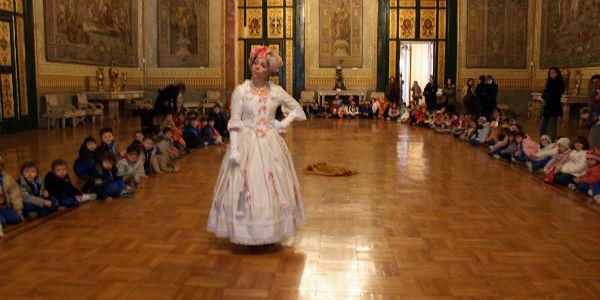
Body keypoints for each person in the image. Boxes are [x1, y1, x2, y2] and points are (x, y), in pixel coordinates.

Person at [207, 46, 307, 245]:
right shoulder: (241, 91)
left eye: (262, 65)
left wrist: (282, 124)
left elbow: (298, 109)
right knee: (246, 183)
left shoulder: (276, 92)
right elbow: (235, 120)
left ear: (269, 70)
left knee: (271, 185)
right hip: (246, 142)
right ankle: (246, 231)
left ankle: (268, 231)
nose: (257, 68)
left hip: (270, 143)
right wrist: (234, 149)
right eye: (255, 63)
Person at [540, 67, 565, 142]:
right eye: (550, 73)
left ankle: (554, 144)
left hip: (554, 108)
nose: (551, 74)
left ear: (557, 73)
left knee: (553, 128)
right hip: (547, 108)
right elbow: (544, 94)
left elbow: (555, 95)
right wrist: (547, 95)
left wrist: (547, 95)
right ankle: (543, 142)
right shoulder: (549, 82)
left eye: (553, 72)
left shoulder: (560, 83)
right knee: (542, 127)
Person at [587, 75, 600, 148]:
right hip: (595, 117)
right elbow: (592, 105)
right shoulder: (592, 93)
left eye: (598, 82)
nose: (596, 84)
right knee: (594, 137)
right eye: (594, 83)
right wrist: (596, 114)